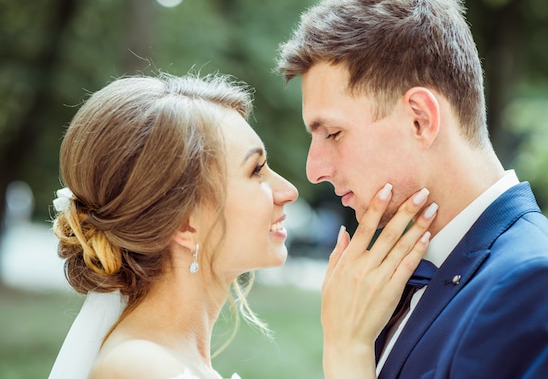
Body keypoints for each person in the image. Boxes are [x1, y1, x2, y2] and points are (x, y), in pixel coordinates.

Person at [277, 0, 548, 379]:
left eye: (333, 133)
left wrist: (346, 353)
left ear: (420, 119)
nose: (314, 170)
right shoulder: (391, 286)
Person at [48, 72, 438, 379]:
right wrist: (347, 348)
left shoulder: (167, 359)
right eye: (256, 171)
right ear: (185, 222)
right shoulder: (137, 368)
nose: (288, 190)